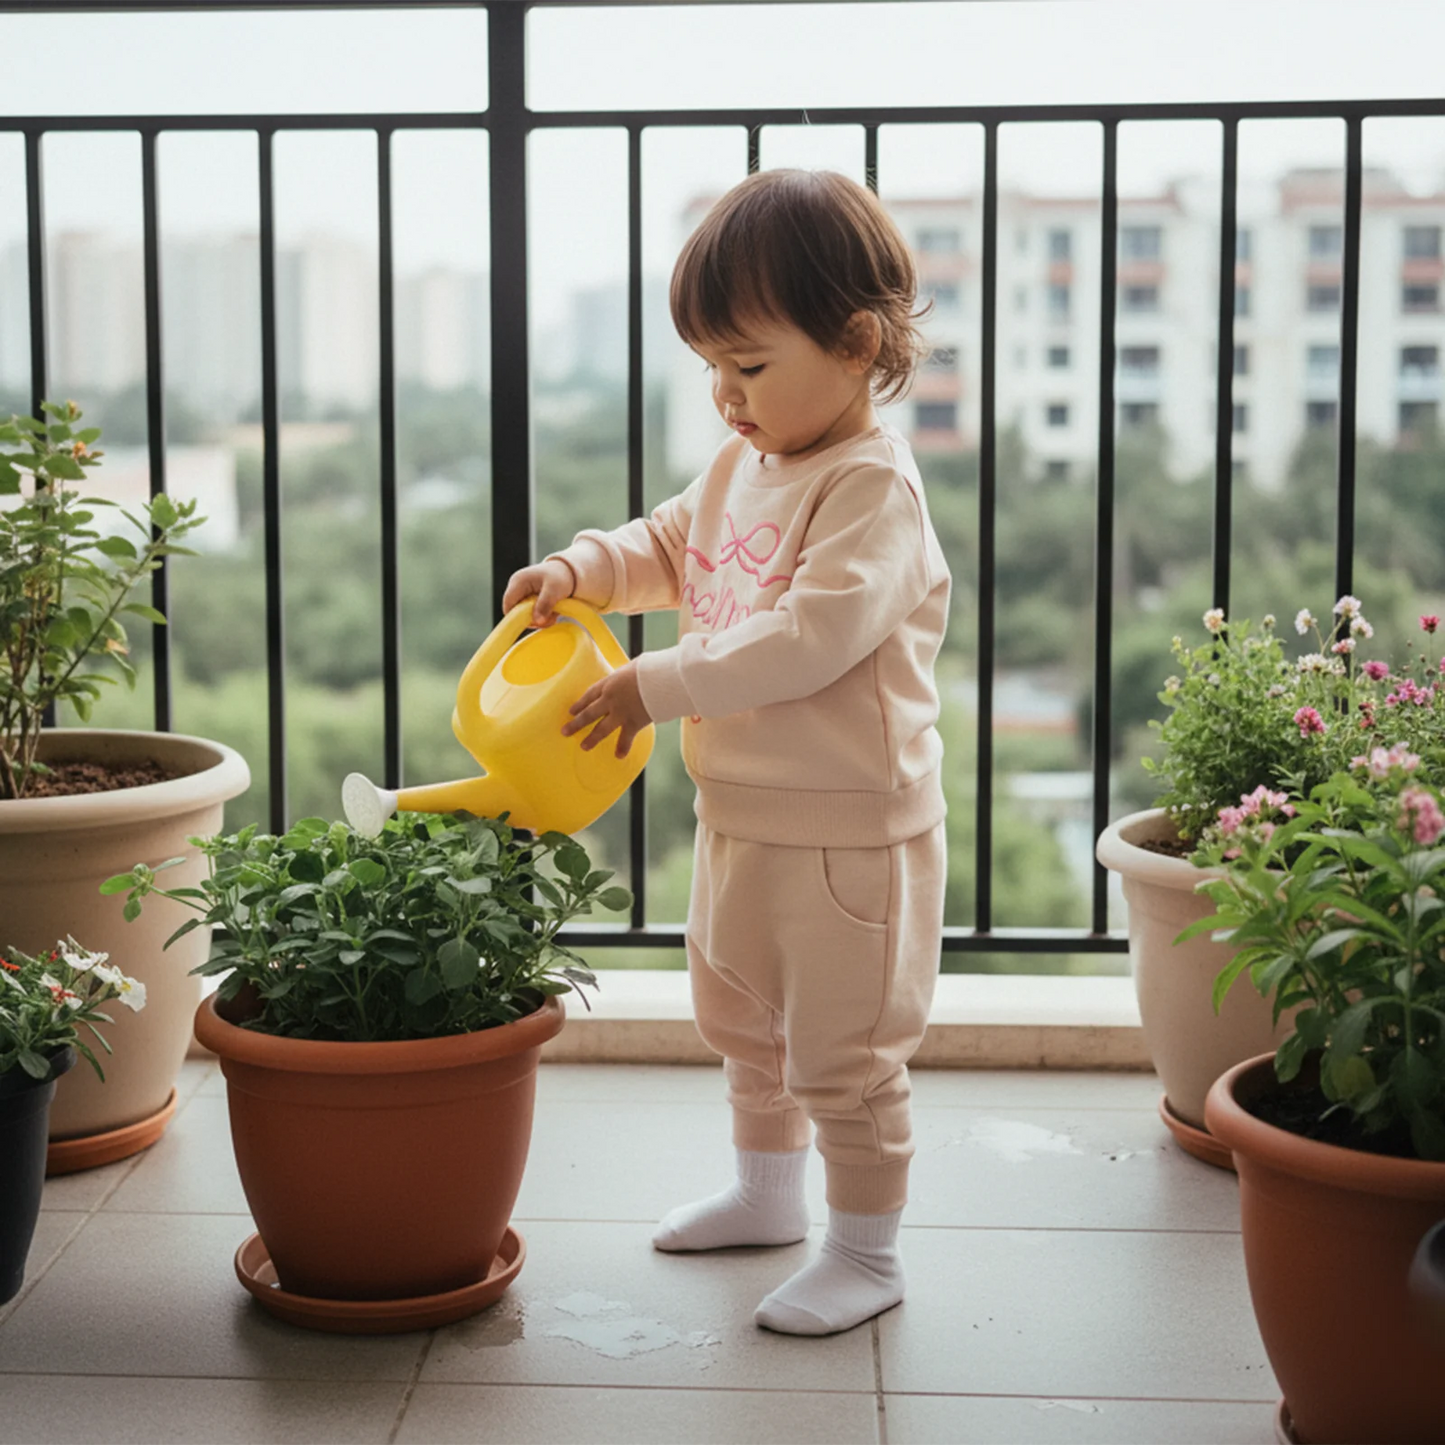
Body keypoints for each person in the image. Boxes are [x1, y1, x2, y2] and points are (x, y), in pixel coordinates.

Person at [502, 168, 950, 1336]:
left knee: (842, 1051)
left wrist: (654, 683)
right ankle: (764, 1194)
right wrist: (582, 571)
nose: (724, 396)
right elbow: (669, 544)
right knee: (743, 1017)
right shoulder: (742, 466)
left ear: (856, 345)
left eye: (748, 366)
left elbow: (805, 637)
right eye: (712, 366)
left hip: (851, 832)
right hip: (743, 809)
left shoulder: (869, 488)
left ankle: (867, 1251)